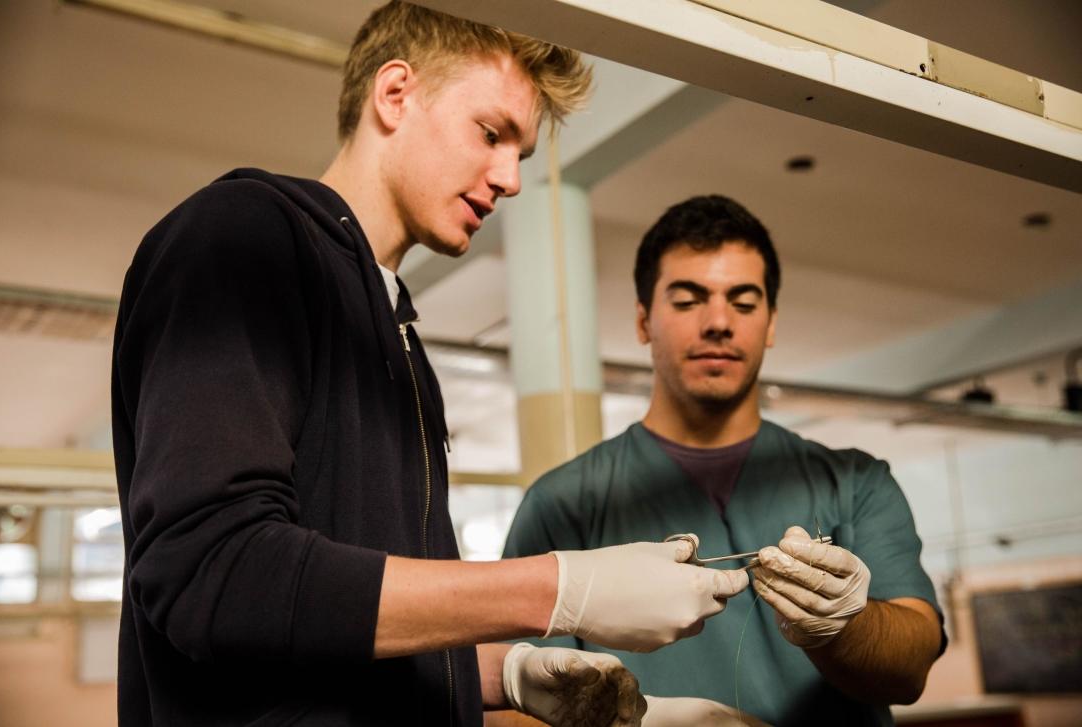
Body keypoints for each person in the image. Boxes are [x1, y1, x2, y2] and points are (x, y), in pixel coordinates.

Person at [111, 4, 749, 726]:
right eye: (491, 133)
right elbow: (211, 576)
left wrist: (503, 671)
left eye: (522, 154)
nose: (509, 178)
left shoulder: (397, 336)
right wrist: (556, 588)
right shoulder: (244, 234)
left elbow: (346, 625)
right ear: (394, 93)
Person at [502, 195, 947, 726]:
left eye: (743, 301)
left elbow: (911, 668)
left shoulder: (855, 482)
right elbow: (516, 699)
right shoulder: (564, 502)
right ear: (644, 320)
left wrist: (841, 626)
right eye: (688, 300)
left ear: (771, 322)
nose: (718, 322)